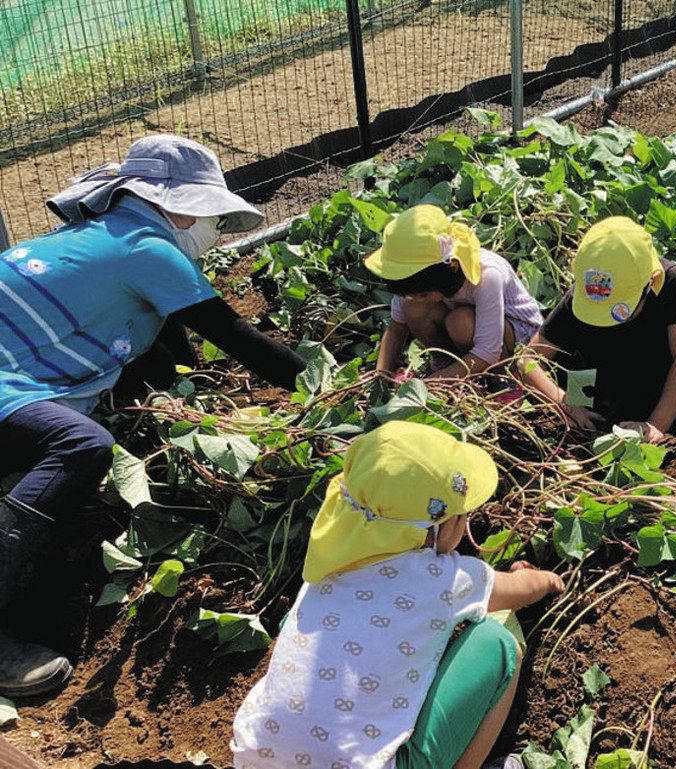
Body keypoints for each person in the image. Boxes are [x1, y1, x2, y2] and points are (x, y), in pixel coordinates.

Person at [0, 135, 306, 698]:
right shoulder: (147, 248)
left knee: (83, 437)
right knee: (81, 447)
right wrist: (319, 387)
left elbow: (168, 348)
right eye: (207, 211)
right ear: (180, 204)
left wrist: (199, 401)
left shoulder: (104, 235)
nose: (209, 225)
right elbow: (235, 336)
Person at [230, 421, 564, 769]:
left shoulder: (325, 567)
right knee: (499, 643)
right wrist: (546, 579)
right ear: (438, 528)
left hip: (256, 755)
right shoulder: (442, 578)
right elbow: (523, 591)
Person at [519, 217, 676, 443]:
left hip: (654, 382)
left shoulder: (670, 282)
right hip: (598, 388)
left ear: (651, 282)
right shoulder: (585, 292)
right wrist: (563, 402)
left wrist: (656, 425)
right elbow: (527, 360)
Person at [369, 206, 543, 381]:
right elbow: (396, 328)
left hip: (517, 341)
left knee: (460, 321)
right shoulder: (412, 279)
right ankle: (447, 365)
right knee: (413, 308)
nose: (415, 298)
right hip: (471, 341)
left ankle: (502, 379)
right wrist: (381, 375)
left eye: (423, 295)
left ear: (444, 276)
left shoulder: (487, 275)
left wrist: (428, 385)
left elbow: (488, 351)